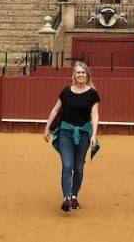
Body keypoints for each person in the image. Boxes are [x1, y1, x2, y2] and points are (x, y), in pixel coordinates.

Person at [43, 61, 100, 212]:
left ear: (87, 75)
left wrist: (94, 135)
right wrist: (46, 128)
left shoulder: (93, 94)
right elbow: (55, 110)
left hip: (84, 133)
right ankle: (66, 197)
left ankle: (74, 196)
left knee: (78, 167)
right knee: (67, 165)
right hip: (65, 133)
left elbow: (94, 115)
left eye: (83, 72)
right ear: (74, 75)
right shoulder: (66, 92)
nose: (80, 75)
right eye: (78, 72)